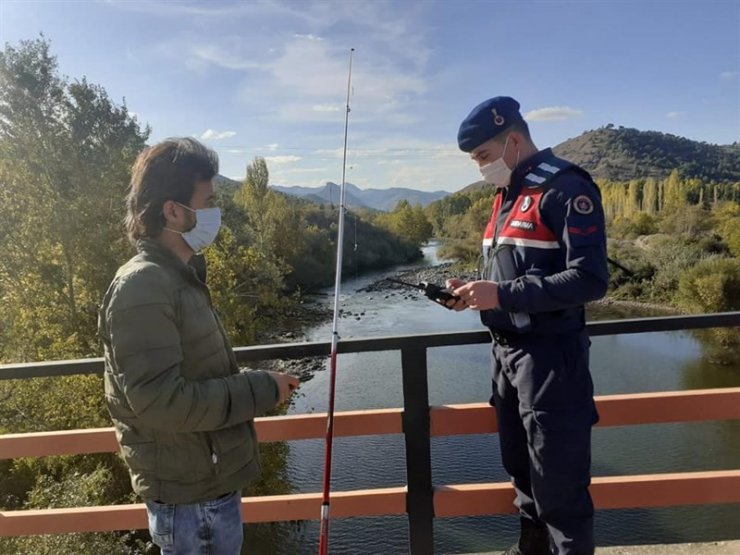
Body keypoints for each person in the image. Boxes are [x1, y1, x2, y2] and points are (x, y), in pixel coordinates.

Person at [98, 137, 299, 555]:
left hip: (204, 486)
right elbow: (161, 401)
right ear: (173, 211)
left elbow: (195, 375)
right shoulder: (144, 286)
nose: (214, 212)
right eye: (206, 201)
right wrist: (262, 388)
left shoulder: (175, 277)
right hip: (192, 502)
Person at [446, 97, 608, 555]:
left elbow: (590, 278)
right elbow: (508, 273)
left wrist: (503, 295)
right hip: (507, 356)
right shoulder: (507, 196)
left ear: (512, 141)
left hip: (551, 359)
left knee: (560, 488)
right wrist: (473, 292)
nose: (479, 167)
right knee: (521, 471)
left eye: (482, 156)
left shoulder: (564, 188)